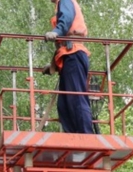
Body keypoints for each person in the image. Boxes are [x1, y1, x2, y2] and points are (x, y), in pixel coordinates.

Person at [44, 0, 95, 134]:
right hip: (69, 55)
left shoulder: (65, 1)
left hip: (74, 53)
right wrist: (52, 65)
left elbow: (66, 18)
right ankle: (73, 135)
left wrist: (57, 31)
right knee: (65, 103)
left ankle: (85, 135)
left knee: (75, 97)